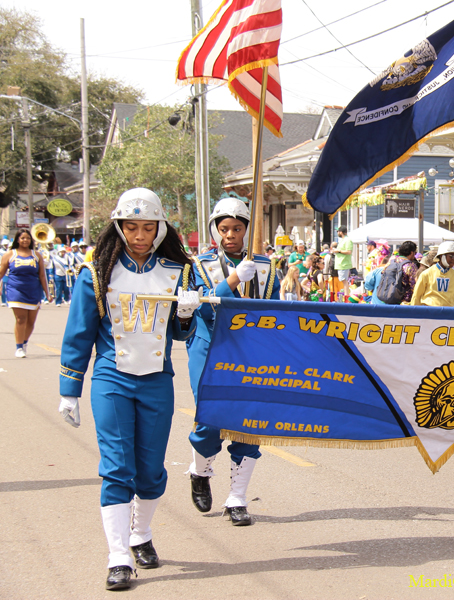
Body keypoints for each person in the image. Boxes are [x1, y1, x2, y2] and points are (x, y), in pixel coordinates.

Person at [57, 188, 200, 590]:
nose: (139, 235)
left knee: (151, 472)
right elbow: (79, 334)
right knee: (117, 468)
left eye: (147, 227)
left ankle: (141, 534)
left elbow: (177, 333)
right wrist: (70, 389)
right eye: (131, 227)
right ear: (119, 227)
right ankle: (118, 556)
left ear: (160, 228)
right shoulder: (97, 272)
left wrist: (187, 312)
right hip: (111, 378)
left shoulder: (179, 271)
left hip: (157, 380)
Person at [186, 197, 281, 526]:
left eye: (237, 228)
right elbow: (202, 308)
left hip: (252, 354)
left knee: (249, 425)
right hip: (210, 349)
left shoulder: (267, 268)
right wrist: (233, 281)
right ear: (215, 230)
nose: (230, 234)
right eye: (224, 228)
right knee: (209, 420)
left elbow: (277, 314)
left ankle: (237, 497)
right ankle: (200, 471)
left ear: (246, 230)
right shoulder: (198, 266)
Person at [0, 228, 51, 357]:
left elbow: (42, 276)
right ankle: (19, 347)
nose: (25, 240)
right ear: (18, 239)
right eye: (22, 238)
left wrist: (48, 293)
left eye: (27, 238)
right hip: (15, 289)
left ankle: (24, 343)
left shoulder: (36, 255)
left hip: (33, 290)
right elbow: (1, 272)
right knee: (20, 318)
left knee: (30, 322)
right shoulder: (10, 254)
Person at [411, 241, 454, 307]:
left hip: (448, 313)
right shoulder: (427, 273)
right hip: (429, 312)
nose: (453, 259)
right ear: (441, 256)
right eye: (451, 256)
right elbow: (416, 296)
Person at [335, 225, 354, 299]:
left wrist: (338, 251)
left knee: (344, 280)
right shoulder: (342, 240)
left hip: (344, 263)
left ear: (341, 232)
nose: (337, 233)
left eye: (338, 231)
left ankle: (346, 296)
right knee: (343, 280)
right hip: (341, 263)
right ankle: (346, 295)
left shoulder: (348, 240)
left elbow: (349, 251)